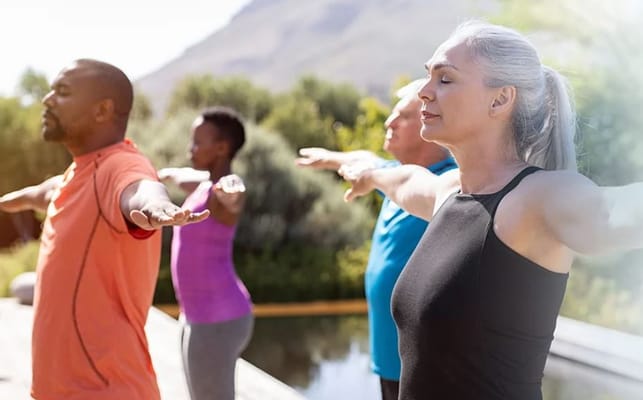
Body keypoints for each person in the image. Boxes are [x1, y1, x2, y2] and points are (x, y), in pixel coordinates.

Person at [338, 20, 643, 400]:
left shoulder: (537, 198)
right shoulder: (449, 192)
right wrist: (368, 175)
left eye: (445, 79)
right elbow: (403, 182)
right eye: (428, 77)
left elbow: (617, 211)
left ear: (500, 99)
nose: (425, 94)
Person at [0, 59, 209, 400]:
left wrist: (157, 207)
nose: (47, 99)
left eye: (63, 92)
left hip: (107, 391)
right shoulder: (76, 173)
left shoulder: (120, 166)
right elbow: (43, 192)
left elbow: (139, 188)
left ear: (102, 110)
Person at [295, 80, 456, 400]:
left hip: (428, 366)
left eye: (402, 116)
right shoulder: (389, 174)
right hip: (389, 362)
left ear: (431, 125)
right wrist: (329, 157)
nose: (388, 122)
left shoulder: (448, 185)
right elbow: (364, 158)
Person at [158, 106, 254, 400]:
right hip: (198, 316)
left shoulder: (222, 193)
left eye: (198, 142)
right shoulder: (203, 185)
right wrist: (161, 174)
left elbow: (233, 195)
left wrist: (232, 192)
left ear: (222, 148)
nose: (191, 149)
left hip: (217, 319)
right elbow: (183, 175)